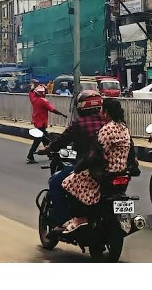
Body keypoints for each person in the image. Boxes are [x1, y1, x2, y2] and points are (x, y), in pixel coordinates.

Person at [58, 98, 132, 233]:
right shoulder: (124, 128)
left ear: (107, 112)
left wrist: (79, 168)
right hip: (121, 172)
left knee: (68, 183)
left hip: (104, 173)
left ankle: (80, 218)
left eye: (103, 111)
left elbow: (95, 155)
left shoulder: (106, 129)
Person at [38, 90, 105, 229]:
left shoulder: (80, 124)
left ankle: (64, 222)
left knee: (55, 182)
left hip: (86, 167)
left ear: (81, 107)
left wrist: (48, 149)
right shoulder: (109, 123)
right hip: (112, 169)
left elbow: (61, 140)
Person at [26, 81, 68, 164]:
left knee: (45, 140)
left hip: (37, 122)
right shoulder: (43, 101)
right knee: (39, 140)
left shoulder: (33, 99)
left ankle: (50, 154)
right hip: (42, 123)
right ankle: (30, 156)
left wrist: (36, 86)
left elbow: (31, 92)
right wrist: (62, 114)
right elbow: (53, 110)